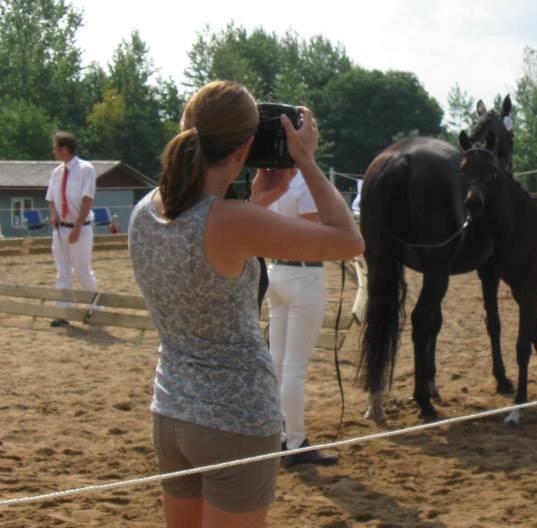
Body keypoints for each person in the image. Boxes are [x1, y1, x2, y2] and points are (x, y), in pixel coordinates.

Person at [127, 80, 363, 528]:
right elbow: (349, 241)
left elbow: (207, 239)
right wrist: (306, 162)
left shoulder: (145, 211)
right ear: (247, 147)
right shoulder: (232, 221)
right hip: (236, 419)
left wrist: (258, 199)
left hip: (171, 408)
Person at [266, 169, 339, 468]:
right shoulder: (303, 183)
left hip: (277, 271)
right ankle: (295, 442)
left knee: (278, 362)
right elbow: (315, 231)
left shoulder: (270, 182)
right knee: (293, 368)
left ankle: (278, 435)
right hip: (303, 274)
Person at [45, 131, 98, 328]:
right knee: (62, 272)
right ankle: (63, 312)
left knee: (83, 271)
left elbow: (87, 199)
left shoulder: (86, 169)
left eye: (56, 147)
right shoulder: (56, 172)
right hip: (60, 230)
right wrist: (54, 214)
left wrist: (77, 227)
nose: (54, 151)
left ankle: (94, 309)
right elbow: (51, 199)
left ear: (64, 149)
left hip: (81, 228)